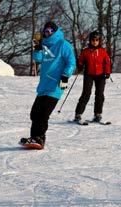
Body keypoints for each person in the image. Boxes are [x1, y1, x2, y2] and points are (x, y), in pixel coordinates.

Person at [20, 21, 76, 149]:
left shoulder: (63, 44)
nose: (48, 33)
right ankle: (33, 138)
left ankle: (40, 138)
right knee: (34, 113)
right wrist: (37, 47)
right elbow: (38, 59)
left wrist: (65, 75)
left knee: (44, 112)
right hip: (44, 85)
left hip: (56, 84)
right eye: (46, 31)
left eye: (51, 31)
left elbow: (71, 62)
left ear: (55, 31)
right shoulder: (44, 44)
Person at [74, 31, 112, 123]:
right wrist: (79, 65)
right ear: (90, 40)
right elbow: (80, 60)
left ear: (99, 41)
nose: (95, 42)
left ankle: (97, 114)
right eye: (93, 40)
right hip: (89, 74)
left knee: (100, 94)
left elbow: (107, 62)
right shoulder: (86, 51)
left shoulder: (102, 51)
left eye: (97, 40)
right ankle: (78, 114)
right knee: (86, 94)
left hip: (101, 75)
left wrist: (107, 72)